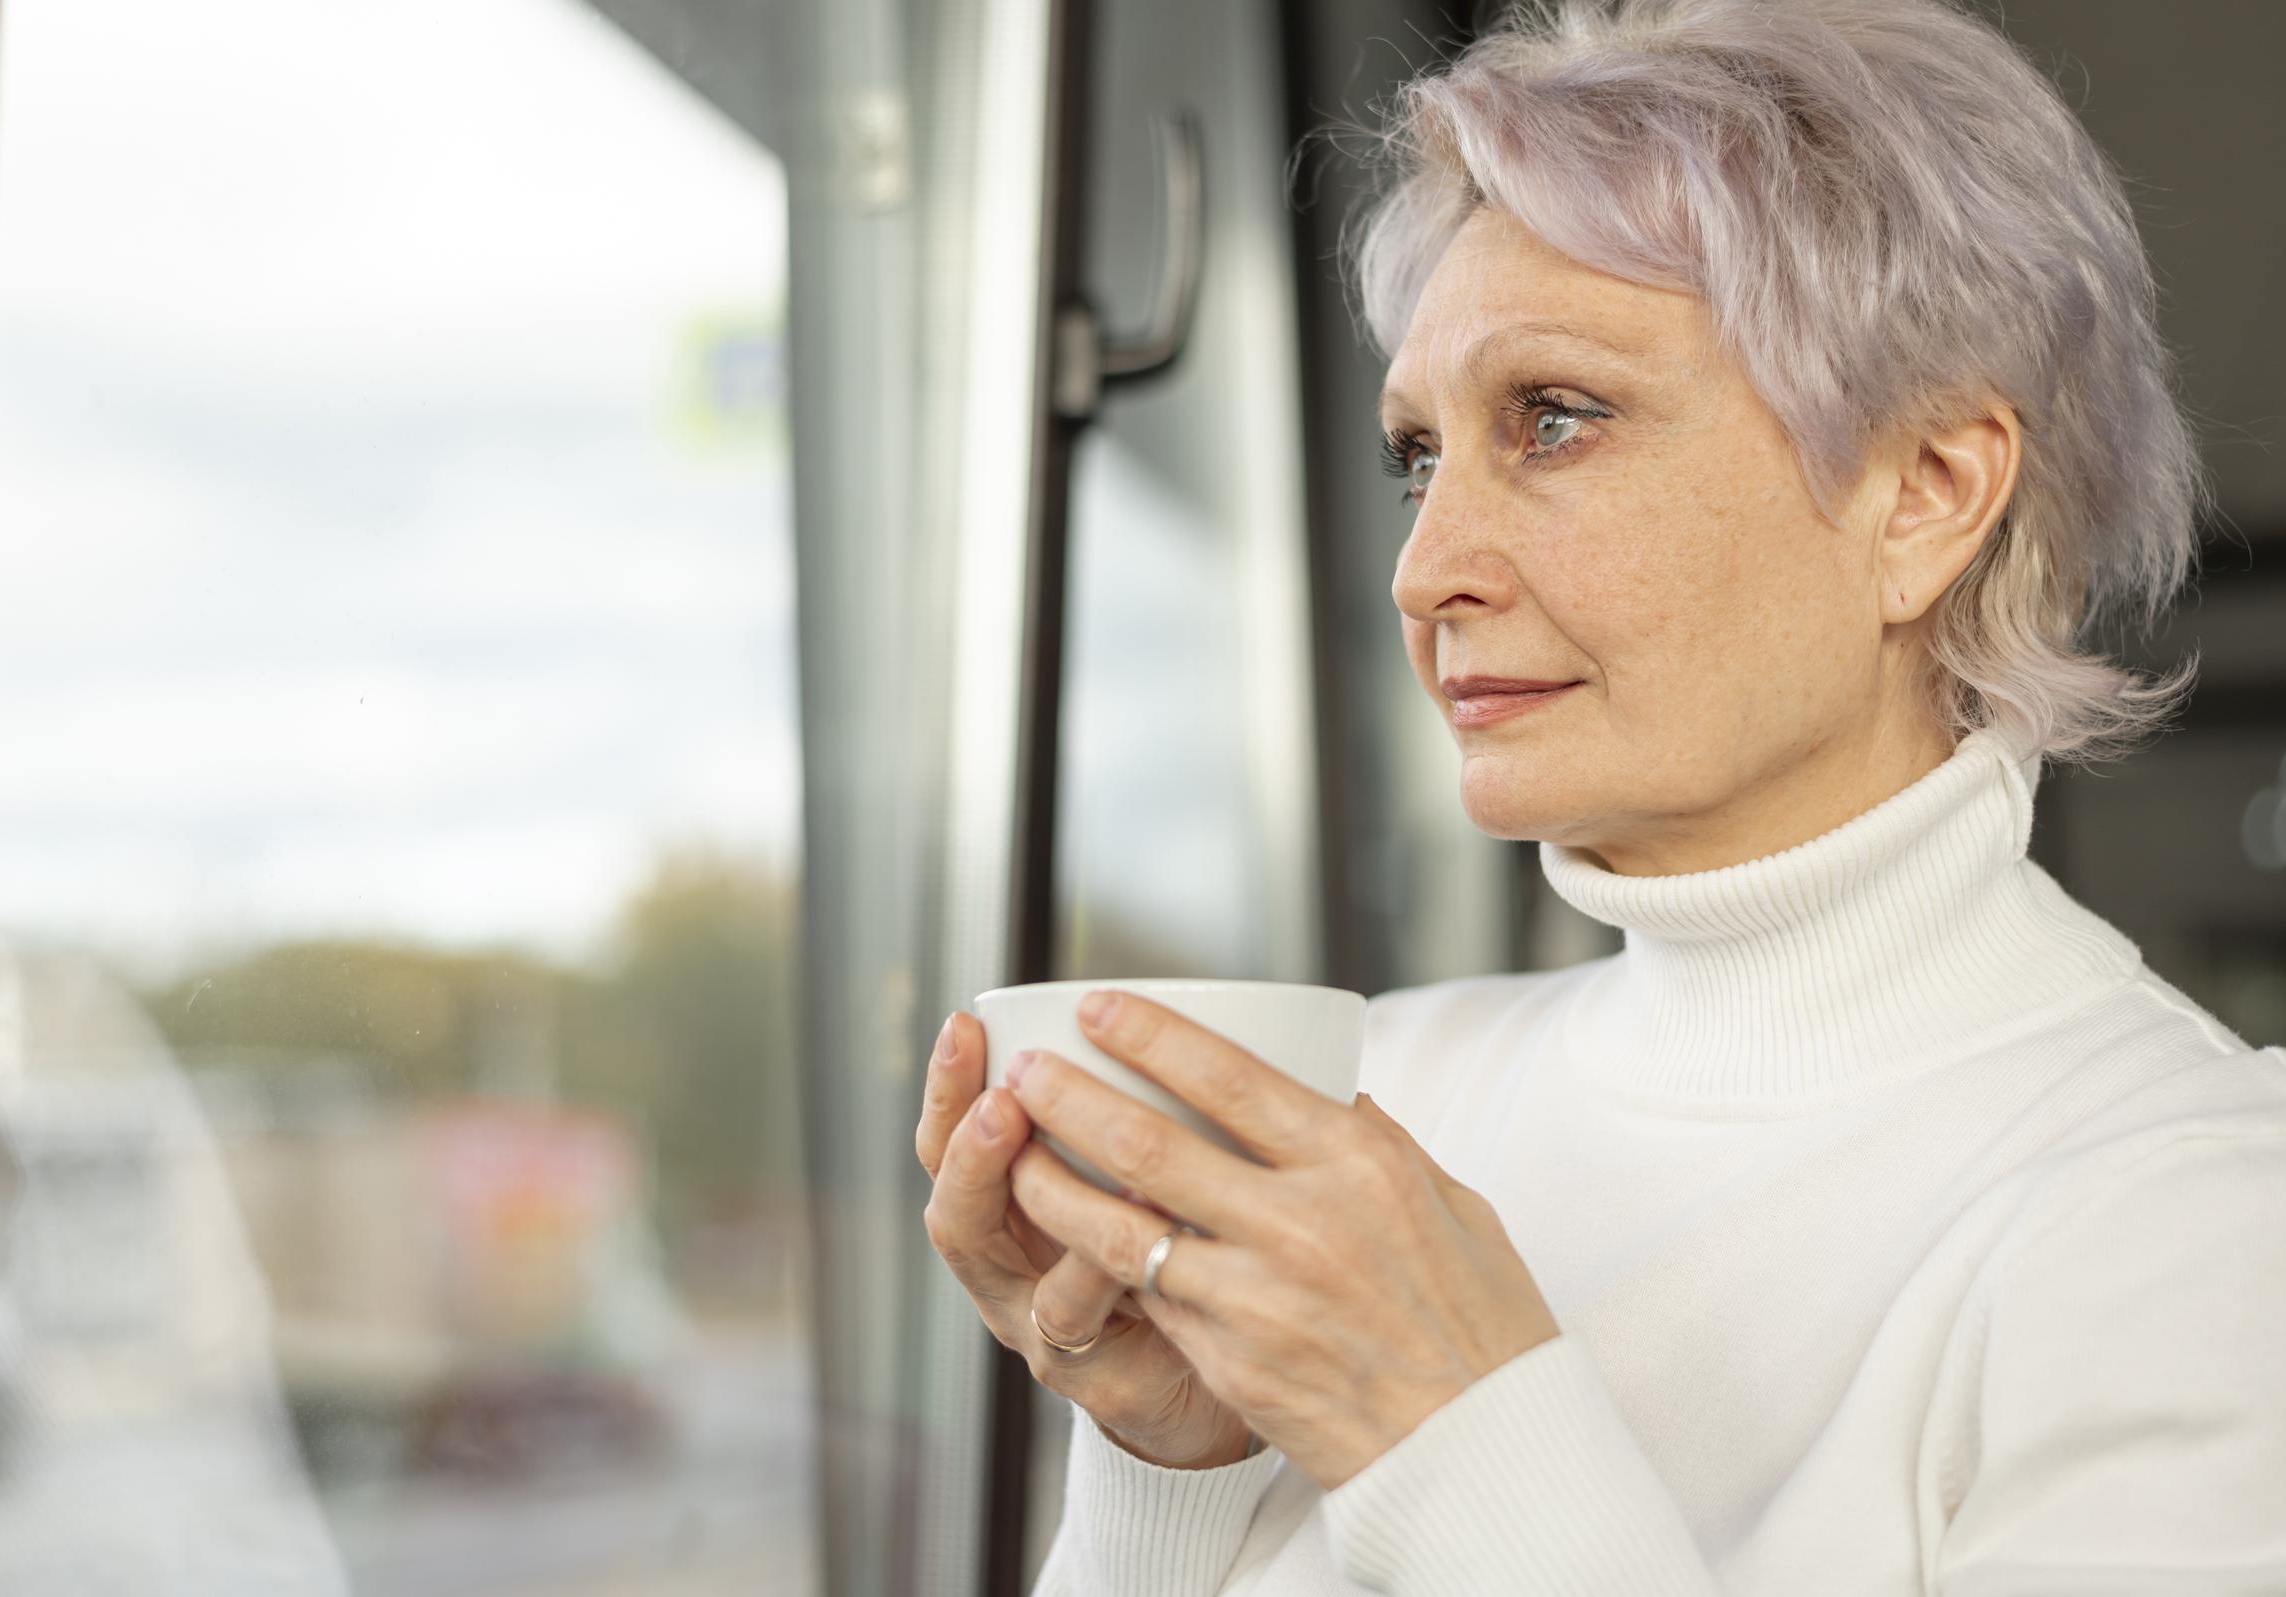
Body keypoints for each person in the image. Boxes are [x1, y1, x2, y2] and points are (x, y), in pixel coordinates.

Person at [916, 0, 2286, 1590]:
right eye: (1418, 456)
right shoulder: (1380, 1102)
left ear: (1926, 496)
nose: (1426, 572)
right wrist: (1170, 1467)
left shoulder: (2197, 1216)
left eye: (1555, 420)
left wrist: (1452, 1418)